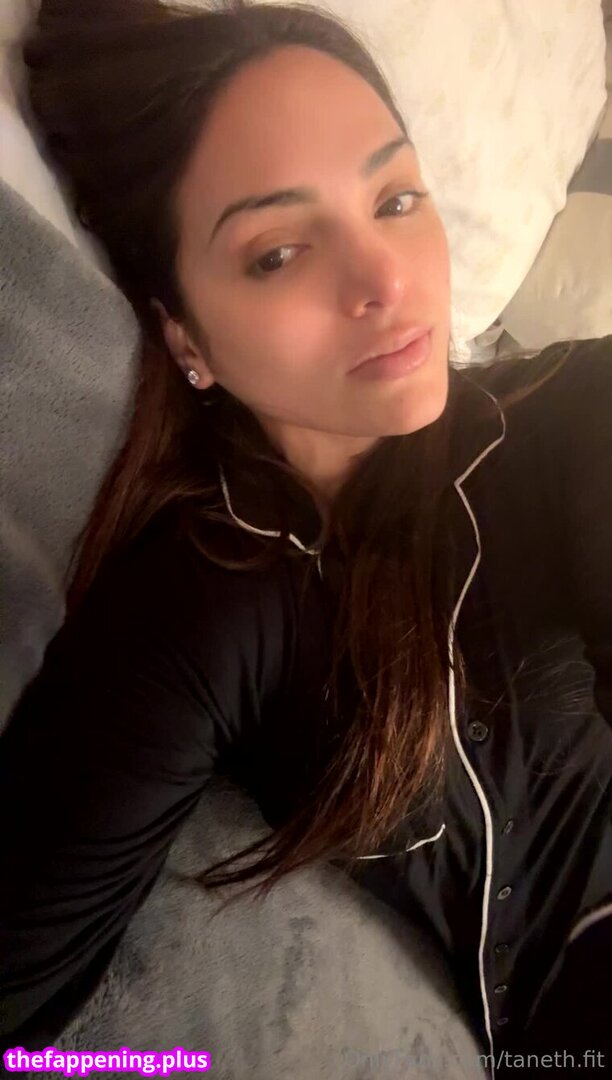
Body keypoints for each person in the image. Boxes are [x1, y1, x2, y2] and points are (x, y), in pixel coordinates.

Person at [1, 2, 610, 1078]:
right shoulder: (205, 598)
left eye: (396, 198)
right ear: (183, 335)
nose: (386, 281)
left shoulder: (572, 419)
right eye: (279, 252)